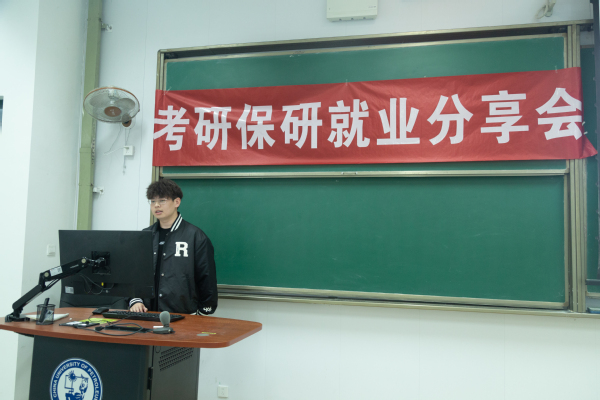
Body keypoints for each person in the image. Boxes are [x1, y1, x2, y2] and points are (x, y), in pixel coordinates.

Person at [129, 178, 218, 315]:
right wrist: (135, 300)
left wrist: (203, 313)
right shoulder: (145, 236)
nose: (156, 205)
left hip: (183, 315)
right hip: (147, 314)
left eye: (162, 200)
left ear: (177, 202)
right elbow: (134, 274)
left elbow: (207, 280)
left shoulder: (196, 237)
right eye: (152, 201)